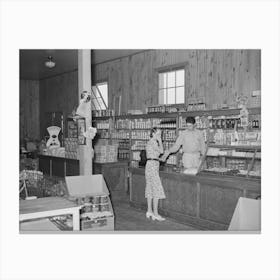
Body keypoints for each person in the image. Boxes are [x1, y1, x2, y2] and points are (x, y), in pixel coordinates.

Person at [145, 127, 166, 221]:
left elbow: (154, 155)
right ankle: (156, 214)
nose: (159, 136)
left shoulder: (149, 142)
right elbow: (161, 151)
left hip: (150, 164)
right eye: (158, 134)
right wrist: (160, 141)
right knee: (156, 188)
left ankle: (149, 211)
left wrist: (158, 159)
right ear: (153, 134)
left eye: (160, 134)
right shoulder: (153, 142)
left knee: (150, 188)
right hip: (153, 165)